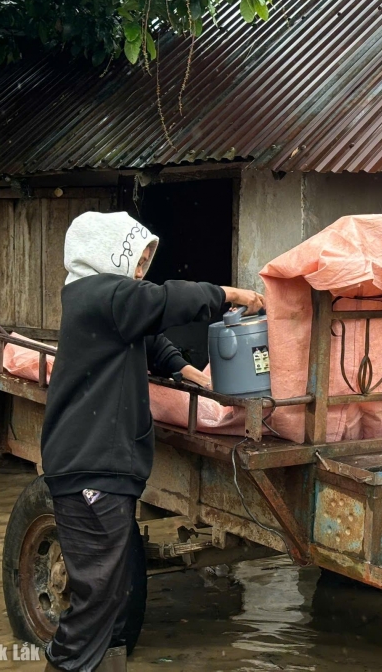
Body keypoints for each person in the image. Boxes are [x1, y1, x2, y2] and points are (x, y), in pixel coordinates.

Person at [41, 211, 264, 672]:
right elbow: (164, 302)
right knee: (95, 598)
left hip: (102, 467)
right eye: (137, 261)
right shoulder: (97, 294)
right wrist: (230, 295)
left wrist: (188, 373)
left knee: (113, 594)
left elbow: (151, 338)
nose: (142, 273)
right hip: (91, 466)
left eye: (146, 263)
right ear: (109, 256)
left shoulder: (108, 305)